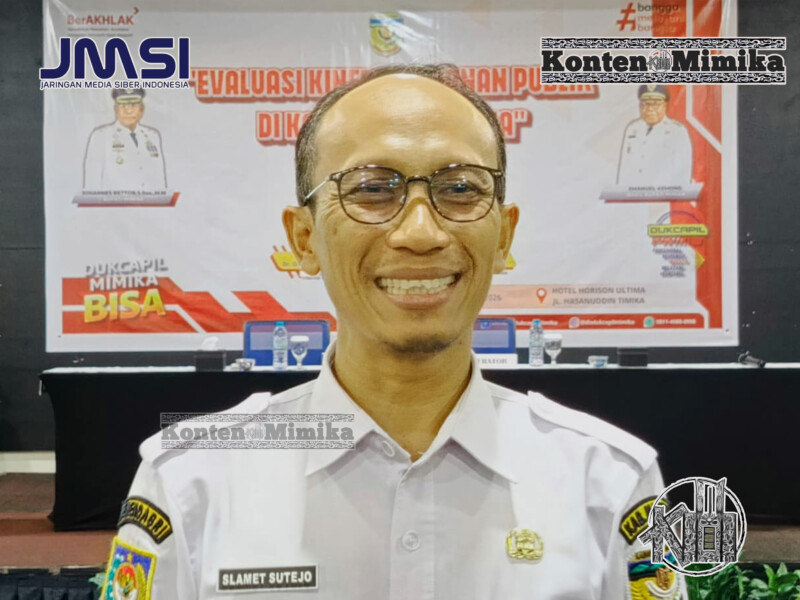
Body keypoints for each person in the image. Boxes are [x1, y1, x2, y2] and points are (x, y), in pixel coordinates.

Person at [101, 64, 685, 599]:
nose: (420, 233)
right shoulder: (191, 480)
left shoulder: (609, 481)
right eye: (372, 189)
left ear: (503, 237)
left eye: (461, 189)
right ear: (304, 240)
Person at [83, 87, 167, 191]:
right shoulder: (101, 136)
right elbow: (92, 182)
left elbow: (160, 179)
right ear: (116, 109)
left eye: (133, 105)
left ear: (141, 109)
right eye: (123, 106)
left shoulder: (152, 136)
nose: (128, 111)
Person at [617, 84, 693, 187]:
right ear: (640, 106)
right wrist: (621, 192)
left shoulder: (677, 131)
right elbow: (624, 169)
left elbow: (683, 172)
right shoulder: (632, 129)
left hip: (663, 193)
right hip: (634, 193)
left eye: (656, 104)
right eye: (645, 104)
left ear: (665, 105)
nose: (650, 109)